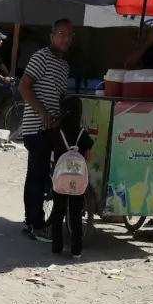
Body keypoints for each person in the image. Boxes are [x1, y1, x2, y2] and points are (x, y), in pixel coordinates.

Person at [18, 19, 73, 242]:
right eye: (61, 34)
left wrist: (60, 116)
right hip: (36, 127)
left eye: (69, 35)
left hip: (52, 128)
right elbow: (24, 86)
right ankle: (34, 224)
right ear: (52, 36)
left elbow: (58, 97)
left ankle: (35, 220)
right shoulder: (41, 57)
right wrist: (42, 113)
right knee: (37, 175)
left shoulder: (64, 66)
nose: (65, 39)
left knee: (49, 176)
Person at [46, 95, 94, 259]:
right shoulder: (83, 134)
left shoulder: (56, 132)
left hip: (60, 178)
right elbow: (88, 156)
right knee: (75, 213)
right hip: (78, 181)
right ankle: (76, 250)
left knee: (58, 211)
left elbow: (51, 153)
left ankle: (56, 247)